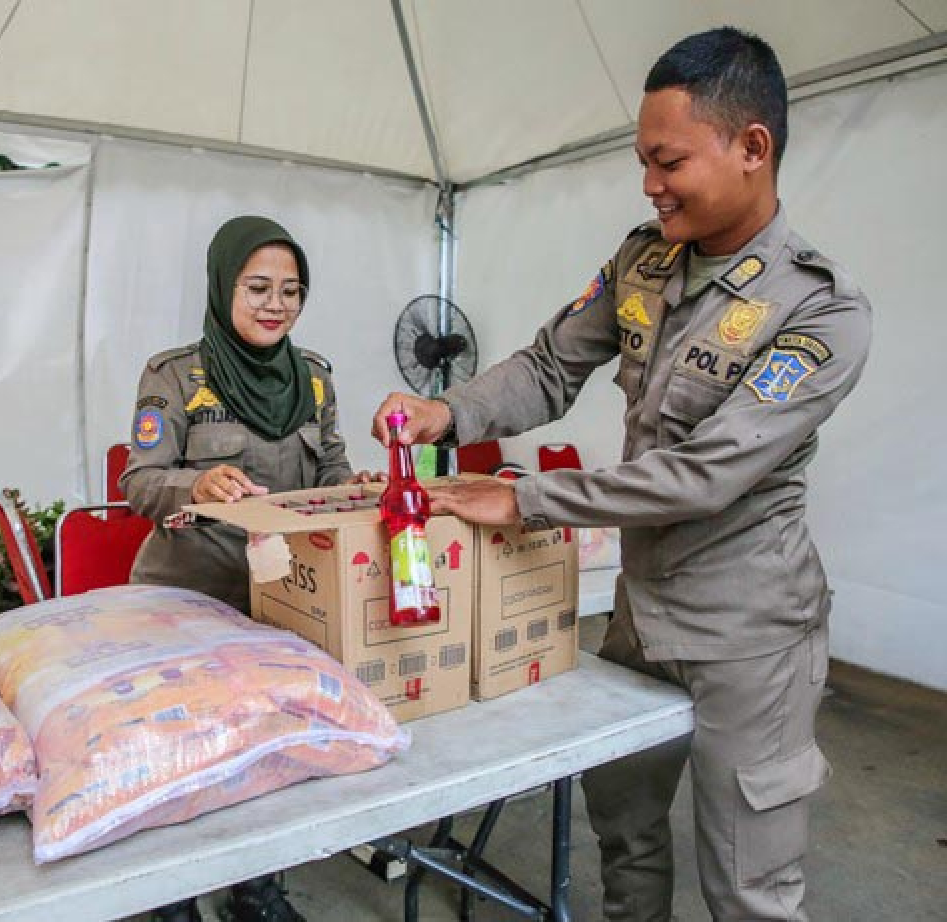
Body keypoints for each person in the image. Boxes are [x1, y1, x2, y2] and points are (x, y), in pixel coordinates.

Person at [373, 28, 871, 922]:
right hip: (641, 616)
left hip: (748, 633)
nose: (650, 184)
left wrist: (527, 498)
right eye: (643, 161)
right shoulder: (643, 261)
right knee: (626, 836)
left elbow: (705, 475)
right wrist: (446, 413)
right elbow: (548, 367)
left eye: (669, 161)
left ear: (752, 147)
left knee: (748, 887)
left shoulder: (820, 310)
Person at [122, 214, 376, 922]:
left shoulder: (314, 380)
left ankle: (257, 891)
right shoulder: (175, 375)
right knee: (181, 752)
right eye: (258, 287)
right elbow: (139, 481)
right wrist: (195, 484)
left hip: (280, 601)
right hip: (185, 599)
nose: (276, 305)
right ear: (223, 286)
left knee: (272, 751)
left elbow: (331, 469)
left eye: (291, 291)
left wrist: (358, 489)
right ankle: (170, 897)